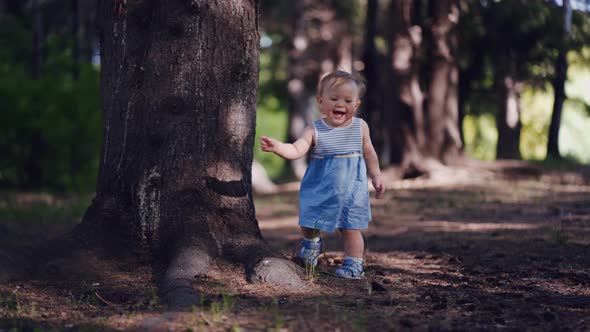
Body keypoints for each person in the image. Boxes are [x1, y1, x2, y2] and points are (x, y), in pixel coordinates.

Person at [260, 70, 385, 279]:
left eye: (347, 100)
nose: (340, 104)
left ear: (357, 105)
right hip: (319, 187)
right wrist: (279, 147)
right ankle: (311, 248)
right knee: (309, 222)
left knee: (351, 229)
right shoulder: (314, 129)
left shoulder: (360, 127)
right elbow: (297, 149)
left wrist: (377, 175)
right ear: (320, 102)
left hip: (351, 190)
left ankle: (354, 265)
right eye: (334, 98)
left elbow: (369, 152)